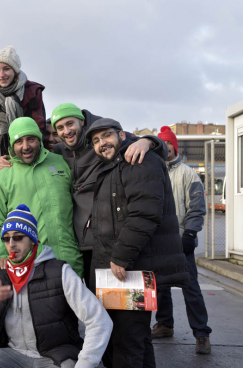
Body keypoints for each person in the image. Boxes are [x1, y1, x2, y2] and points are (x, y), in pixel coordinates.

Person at [0, 103, 166, 286]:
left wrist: (149, 141)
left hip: (110, 241)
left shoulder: (100, 142)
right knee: (95, 303)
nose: (66, 131)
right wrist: (10, 161)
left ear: (81, 121)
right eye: (60, 128)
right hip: (80, 244)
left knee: (122, 306)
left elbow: (137, 143)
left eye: (70, 124)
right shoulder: (59, 153)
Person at [86, 118, 189, 368]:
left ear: (122, 135)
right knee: (133, 340)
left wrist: (120, 256)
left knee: (127, 341)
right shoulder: (114, 166)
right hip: (118, 271)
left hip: (130, 270)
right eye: (96, 141)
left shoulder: (139, 159)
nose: (102, 143)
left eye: (107, 136)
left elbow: (145, 213)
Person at [0, 204, 112, 368]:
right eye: (6, 238)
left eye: (18, 237)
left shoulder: (59, 271)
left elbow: (100, 321)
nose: (11, 243)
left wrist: (85, 363)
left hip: (55, 356)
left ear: (32, 240)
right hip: (10, 355)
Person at [0, 117, 83, 277]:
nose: (26, 146)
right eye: (19, 141)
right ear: (11, 145)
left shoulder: (60, 162)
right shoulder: (1, 177)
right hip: (28, 266)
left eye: (31, 139)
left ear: (39, 139)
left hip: (70, 261)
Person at [152, 126, 212, 354]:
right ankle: (165, 324)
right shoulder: (152, 171)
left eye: (168, 143)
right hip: (157, 244)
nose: (165, 147)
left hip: (180, 243)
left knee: (191, 289)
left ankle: (202, 334)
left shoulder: (188, 174)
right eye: (161, 143)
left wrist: (189, 233)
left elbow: (196, 209)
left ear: (174, 146)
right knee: (160, 289)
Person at [0, 46, 45, 161]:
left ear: (15, 70)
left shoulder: (32, 91)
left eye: (6, 69)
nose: (1, 75)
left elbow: (38, 125)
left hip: (26, 153)